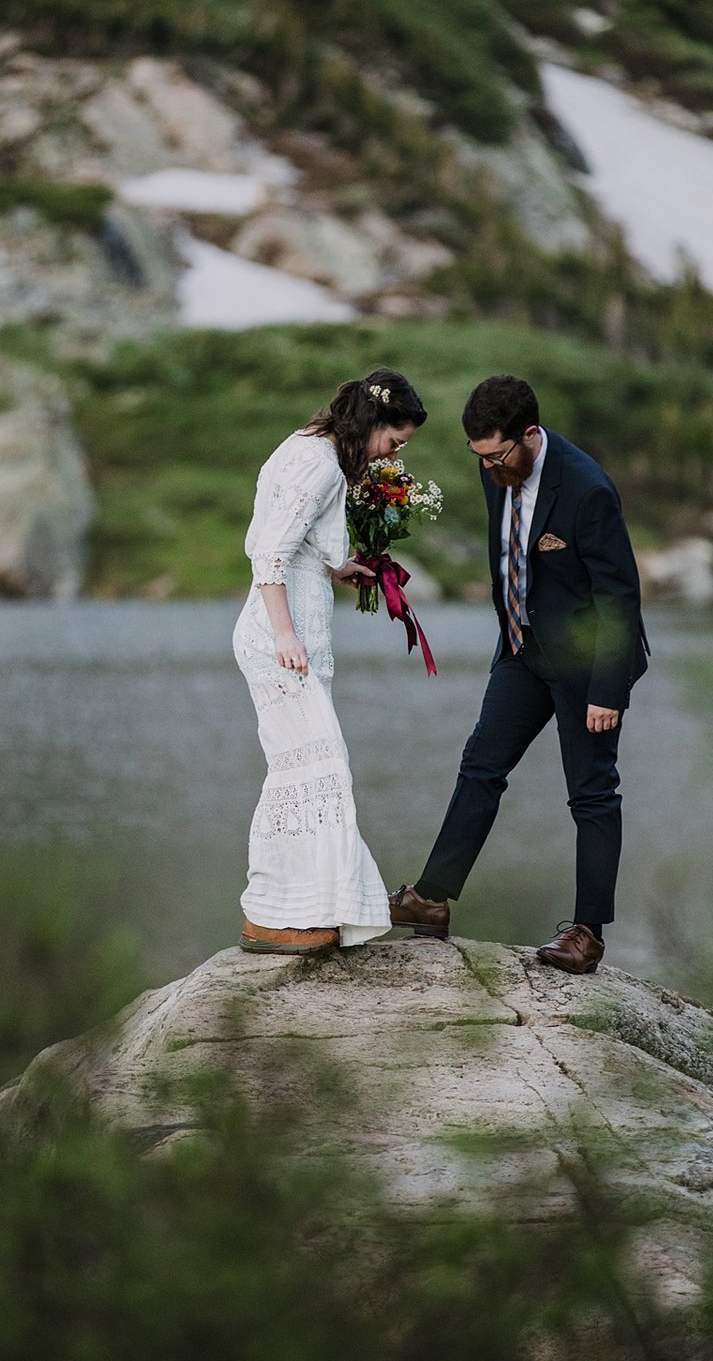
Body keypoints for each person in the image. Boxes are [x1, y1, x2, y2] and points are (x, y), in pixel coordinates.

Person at [389, 375, 649, 974]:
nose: (488, 468)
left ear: (530, 435)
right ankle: (431, 900)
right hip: (523, 650)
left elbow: (620, 596)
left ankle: (587, 932)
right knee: (481, 766)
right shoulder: (497, 469)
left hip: (587, 663)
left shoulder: (586, 490)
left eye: (497, 454)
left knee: (591, 793)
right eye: (477, 456)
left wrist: (608, 690)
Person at [234, 369, 428, 955]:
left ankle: (291, 912)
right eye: (393, 443)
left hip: (288, 635)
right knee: (317, 772)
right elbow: (267, 553)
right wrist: (286, 635)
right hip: (279, 642)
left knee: (302, 773)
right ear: (372, 423)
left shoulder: (309, 447)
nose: (391, 454)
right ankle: (280, 914)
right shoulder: (320, 464)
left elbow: (293, 543)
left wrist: (336, 567)